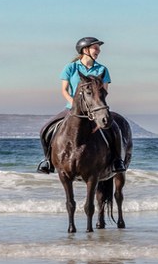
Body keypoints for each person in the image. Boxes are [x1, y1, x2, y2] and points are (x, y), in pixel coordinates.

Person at [36, 36, 126, 174]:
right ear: (85, 50)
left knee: (115, 129)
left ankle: (117, 160)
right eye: (95, 48)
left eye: (99, 48)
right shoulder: (70, 67)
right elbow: (64, 90)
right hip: (72, 108)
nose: (98, 51)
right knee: (45, 129)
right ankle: (48, 161)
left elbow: (104, 92)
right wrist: (74, 104)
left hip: (95, 109)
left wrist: (97, 110)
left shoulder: (102, 69)